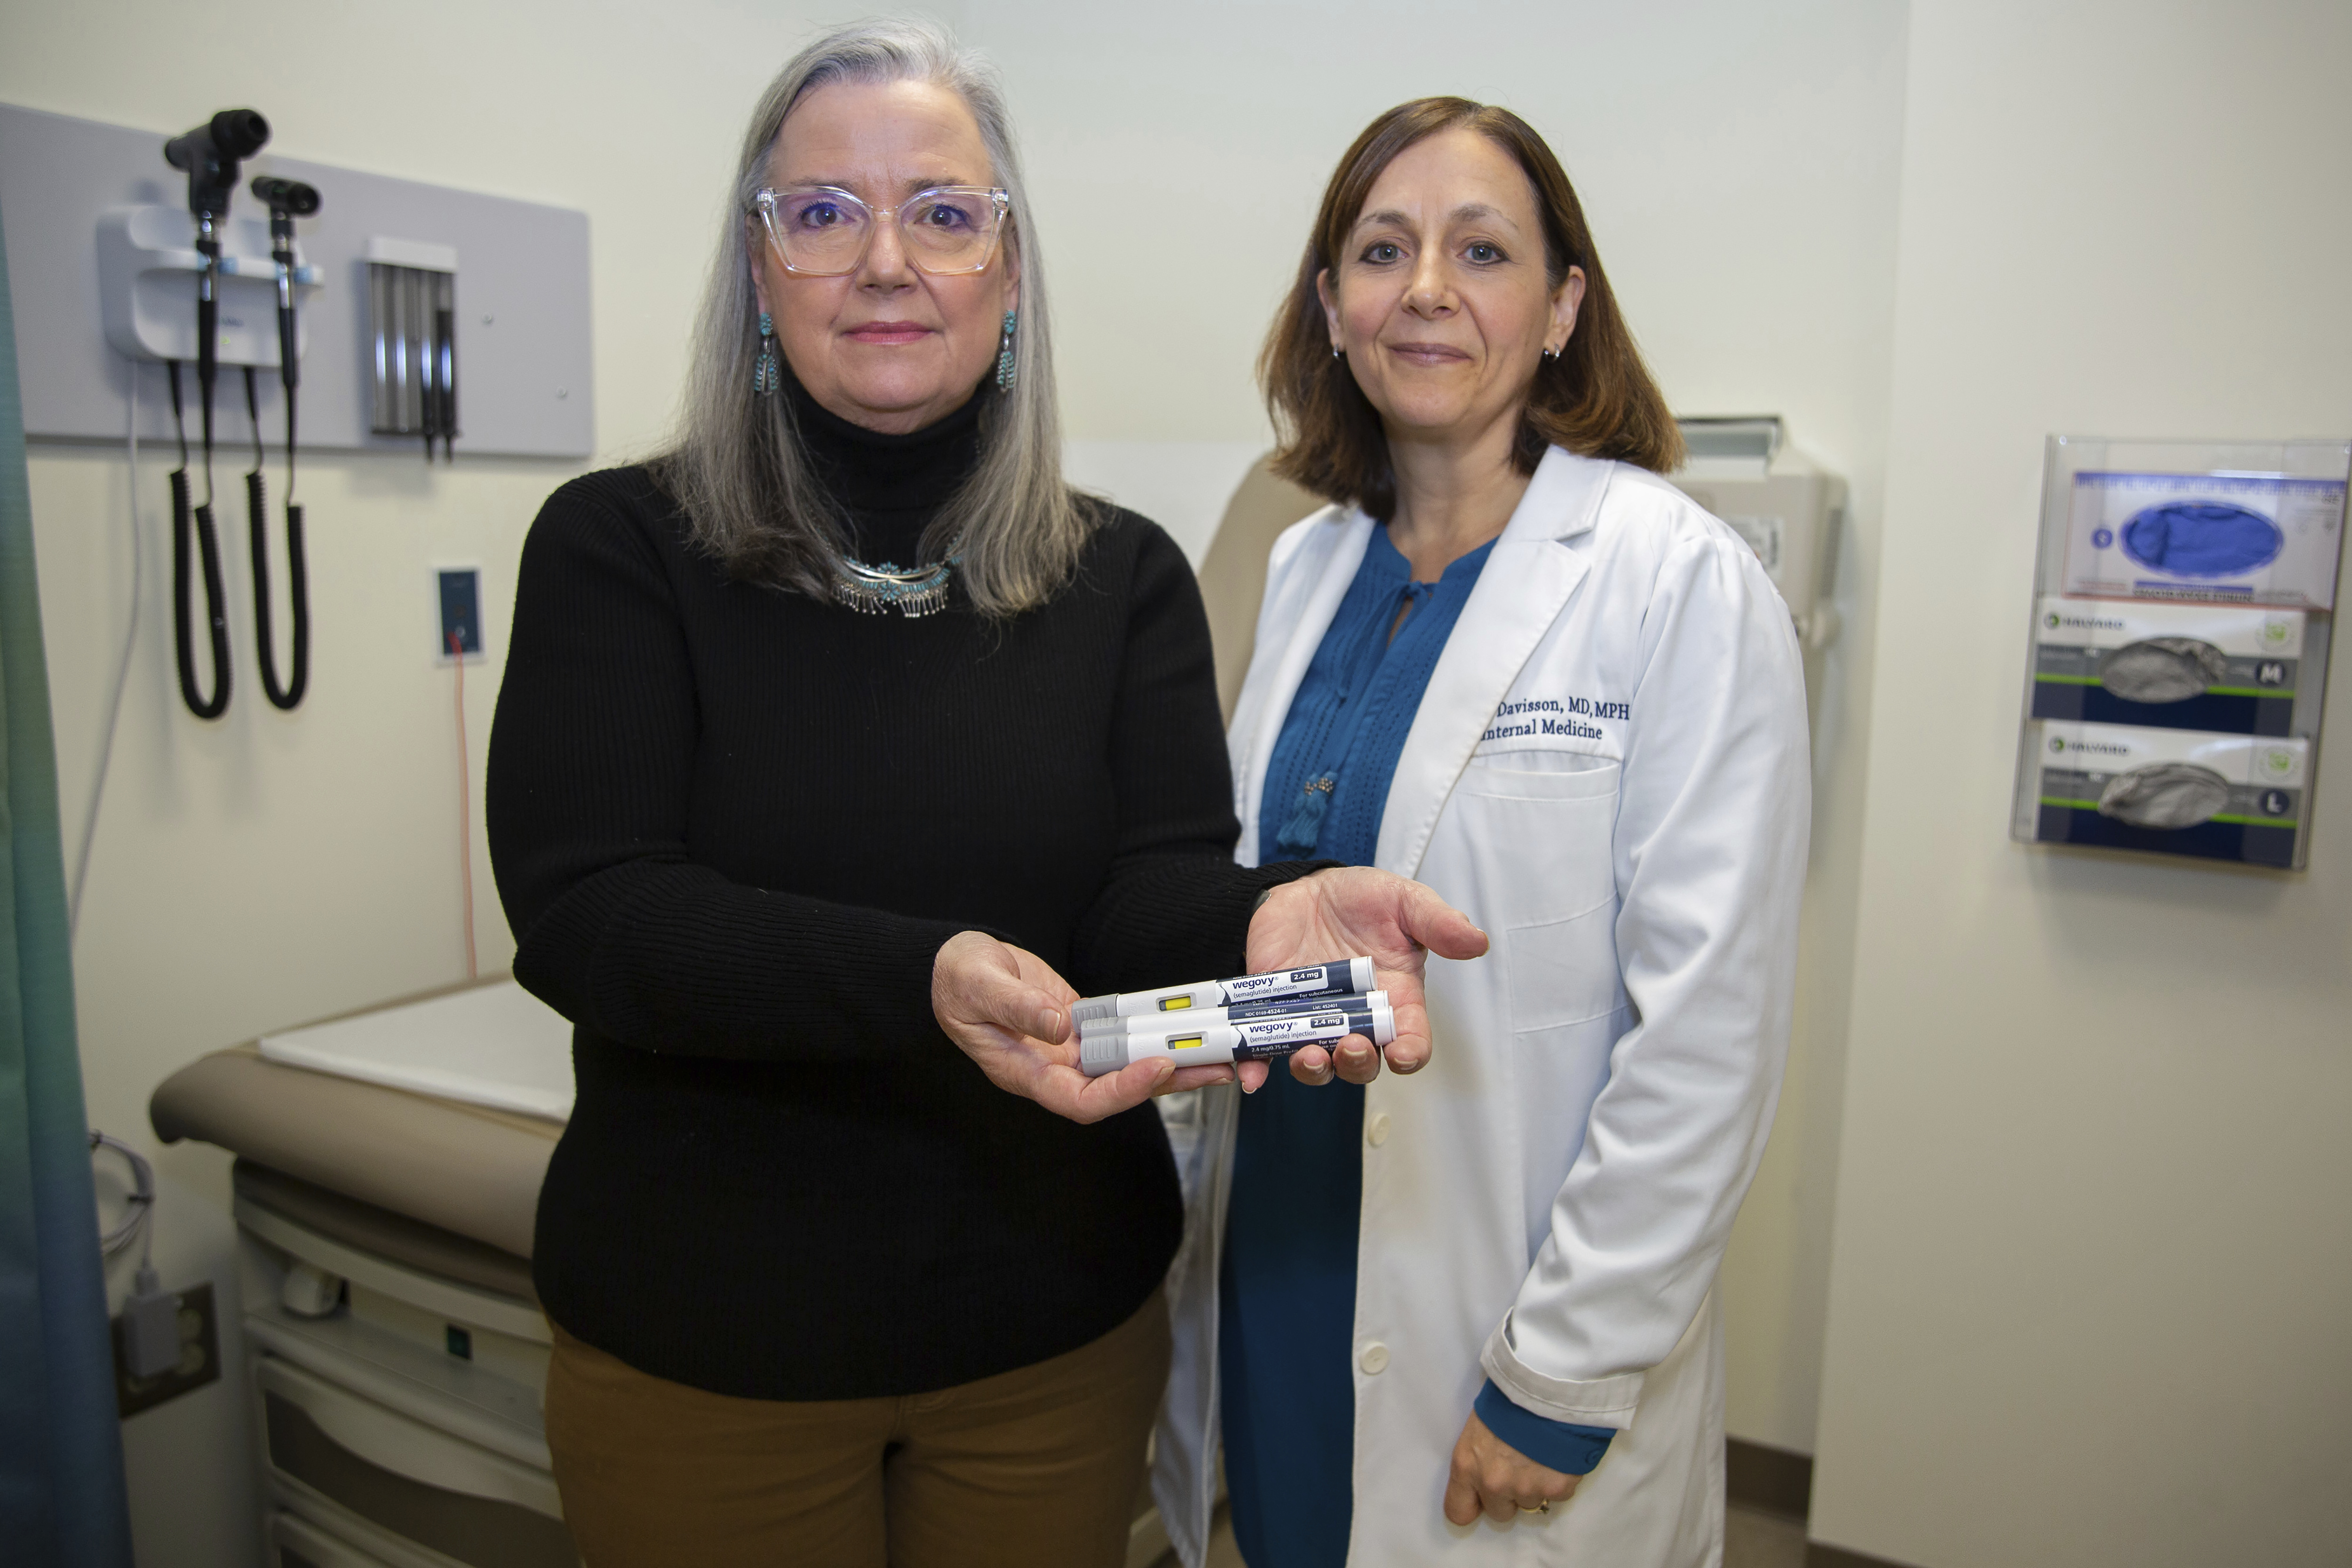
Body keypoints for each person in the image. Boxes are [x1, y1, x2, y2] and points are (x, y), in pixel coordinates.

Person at [485, 24, 1483, 1568]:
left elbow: (1136, 891)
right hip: (710, 1345)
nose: (887, 259)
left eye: (944, 213)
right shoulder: (622, 552)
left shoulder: (1119, 575)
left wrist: (1260, 916)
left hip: (1050, 1342)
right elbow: (595, 917)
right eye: (823, 214)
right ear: (760, 273)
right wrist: (922, 976)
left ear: (1007, 275)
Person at [1151, 99, 1812, 1567]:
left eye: (1485, 249)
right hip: (1284, 1257)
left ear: (1565, 305)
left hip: (1508, 1300)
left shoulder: (1674, 584)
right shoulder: (1308, 566)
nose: (1429, 287)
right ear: (1332, 309)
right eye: (1382, 250)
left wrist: (1566, 1372)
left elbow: (1707, 1030)